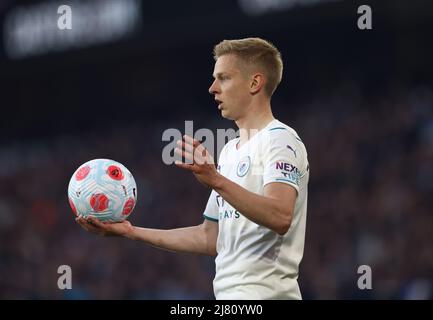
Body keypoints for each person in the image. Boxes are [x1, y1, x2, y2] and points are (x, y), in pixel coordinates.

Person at [77, 37, 309, 300]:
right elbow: (210, 237)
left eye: (224, 78)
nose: (212, 88)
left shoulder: (280, 139)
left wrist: (216, 180)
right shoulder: (230, 151)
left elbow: (280, 217)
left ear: (255, 83)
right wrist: (131, 232)